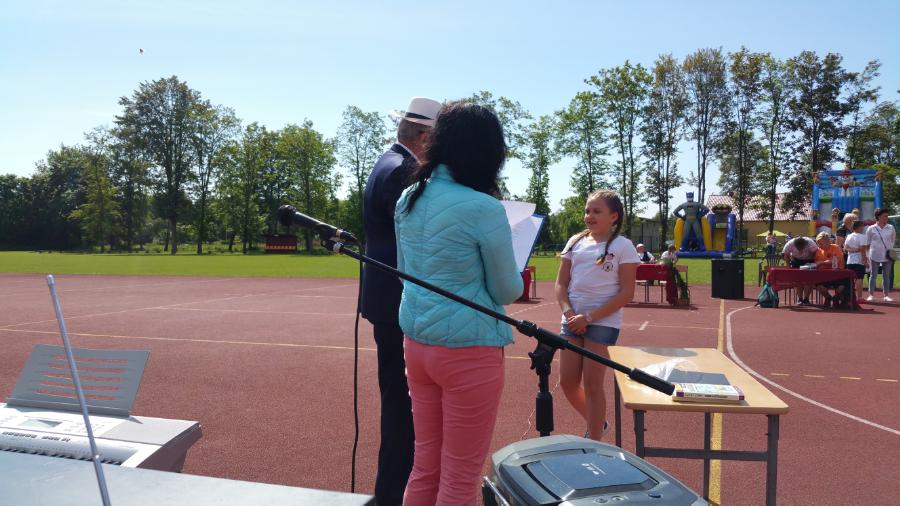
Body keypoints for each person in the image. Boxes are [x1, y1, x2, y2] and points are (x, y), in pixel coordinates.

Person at [395, 102, 522, 505]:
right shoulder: (484, 208)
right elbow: (506, 291)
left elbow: (404, 271)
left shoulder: (409, 197)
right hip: (469, 350)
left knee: (425, 466)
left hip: (417, 343)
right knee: (460, 478)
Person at [361, 96, 441, 505]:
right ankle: (394, 495)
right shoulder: (402, 171)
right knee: (402, 410)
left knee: (401, 404)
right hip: (399, 301)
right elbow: (423, 235)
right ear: (426, 138)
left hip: (388, 299)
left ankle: (397, 492)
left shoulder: (388, 163)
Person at [555, 190, 639, 441]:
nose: (589, 215)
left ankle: (594, 442)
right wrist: (569, 313)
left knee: (593, 385)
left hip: (603, 322)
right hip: (572, 320)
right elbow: (560, 284)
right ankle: (598, 423)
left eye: (596, 211)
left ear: (614, 216)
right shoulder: (575, 242)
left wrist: (589, 317)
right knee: (567, 383)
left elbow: (627, 292)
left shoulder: (623, 246)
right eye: (587, 211)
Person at [865, 208, 896, 302]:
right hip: (874, 254)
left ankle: (886, 295)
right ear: (878, 217)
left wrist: (889, 250)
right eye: (885, 216)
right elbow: (867, 243)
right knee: (873, 275)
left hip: (887, 255)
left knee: (886, 275)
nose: (887, 217)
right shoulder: (871, 228)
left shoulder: (891, 227)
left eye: (887, 216)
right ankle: (871, 295)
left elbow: (893, 240)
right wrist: (867, 256)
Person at [782, 236, 819, 305]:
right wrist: (789, 267)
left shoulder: (810, 243)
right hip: (796, 260)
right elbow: (786, 255)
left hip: (809, 260)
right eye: (799, 248)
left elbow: (817, 253)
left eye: (802, 248)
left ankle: (806, 299)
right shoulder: (789, 244)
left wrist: (813, 262)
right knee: (797, 280)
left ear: (805, 244)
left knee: (809, 280)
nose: (800, 250)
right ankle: (800, 299)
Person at [813, 232, 847, 307]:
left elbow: (836, 260)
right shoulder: (818, 251)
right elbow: (817, 263)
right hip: (824, 275)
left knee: (841, 287)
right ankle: (828, 298)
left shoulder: (836, 247)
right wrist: (821, 264)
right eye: (818, 243)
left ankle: (836, 298)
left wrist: (822, 263)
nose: (819, 245)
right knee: (819, 286)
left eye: (821, 243)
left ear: (827, 241)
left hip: (838, 274)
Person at [844, 220, 869, 304]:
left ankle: (850, 297)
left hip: (850, 261)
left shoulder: (849, 236)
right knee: (859, 278)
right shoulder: (862, 237)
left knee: (850, 280)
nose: (863, 228)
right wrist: (865, 260)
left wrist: (854, 250)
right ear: (859, 227)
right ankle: (859, 297)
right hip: (859, 261)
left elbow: (845, 248)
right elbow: (862, 249)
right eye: (862, 226)